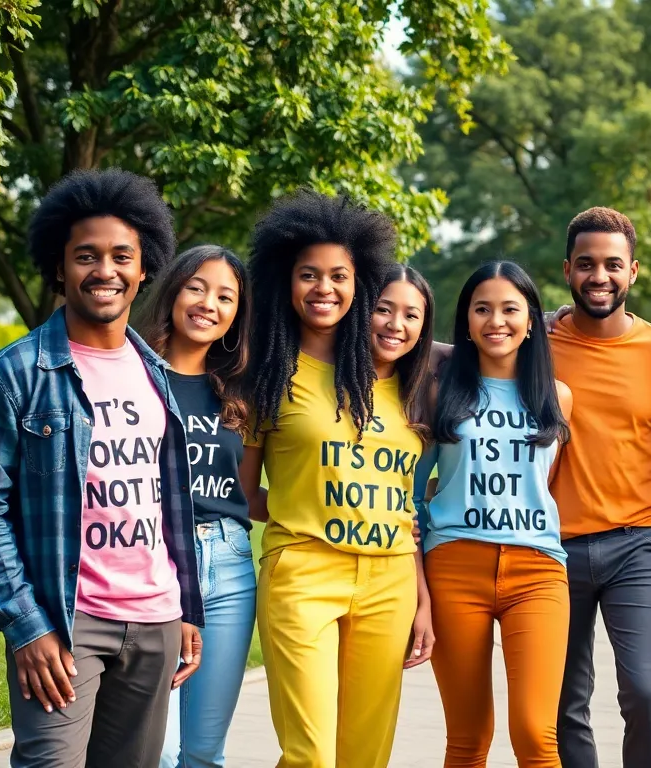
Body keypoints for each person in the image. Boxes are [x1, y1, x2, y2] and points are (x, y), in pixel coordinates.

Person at [0, 169, 203, 767]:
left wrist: (185, 608)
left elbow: (167, 504)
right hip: (66, 618)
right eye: (86, 256)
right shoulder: (11, 376)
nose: (104, 270)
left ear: (144, 269)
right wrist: (27, 626)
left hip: (154, 617)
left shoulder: (156, 375)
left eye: (121, 256)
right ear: (59, 268)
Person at [240, 193, 435, 768]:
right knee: (312, 756)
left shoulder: (403, 379)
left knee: (364, 756)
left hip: (390, 580)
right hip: (303, 571)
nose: (324, 288)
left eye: (339, 276)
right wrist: (310, 511)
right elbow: (247, 492)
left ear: (361, 285)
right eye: (309, 274)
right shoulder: (268, 370)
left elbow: (404, 506)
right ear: (287, 280)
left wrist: (421, 597)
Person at [549, 207, 651, 768]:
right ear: (568, 270)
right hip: (549, 546)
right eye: (586, 264)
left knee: (645, 692)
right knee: (562, 702)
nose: (599, 276)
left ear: (633, 272)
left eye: (612, 264)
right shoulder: (535, 342)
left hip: (636, 546)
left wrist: (632, 466)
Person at [425, 260, 574, 767]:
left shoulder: (557, 398)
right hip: (453, 567)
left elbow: (546, 485)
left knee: (536, 733)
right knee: (468, 738)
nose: (496, 321)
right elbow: (411, 485)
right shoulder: (439, 392)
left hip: (538, 570)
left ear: (531, 318)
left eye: (510, 309)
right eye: (481, 309)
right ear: (465, 321)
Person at [136, 245, 255, 768]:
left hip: (229, 568)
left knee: (204, 752)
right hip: (153, 562)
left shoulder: (240, 392)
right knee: (153, 749)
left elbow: (248, 495)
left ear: (236, 315)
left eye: (225, 296)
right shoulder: (133, 375)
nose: (209, 303)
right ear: (173, 293)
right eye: (197, 288)